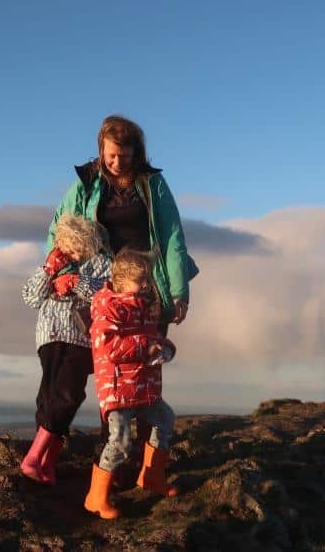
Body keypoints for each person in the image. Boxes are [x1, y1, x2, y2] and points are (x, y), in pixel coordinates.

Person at [45, 114, 198, 480]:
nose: (117, 162)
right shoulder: (85, 185)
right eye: (111, 155)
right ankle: (109, 459)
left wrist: (178, 292)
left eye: (124, 155)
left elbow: (173, 237)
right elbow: (59, 230)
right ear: (101, 149)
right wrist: (63, 273)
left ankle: (147, 472)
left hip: (149, 291)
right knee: (112, 376)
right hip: (103, 295)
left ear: (137, 151)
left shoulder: (153, 184)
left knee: (145, 374)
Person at [83, 250, 178, 519]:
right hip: (118, 387)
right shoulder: (108, 306)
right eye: (141, 280)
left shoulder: (145, 303)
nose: (147, 284)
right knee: (121, 441)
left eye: (148, 278)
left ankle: (151, 477)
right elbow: (109, 348)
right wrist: (146, 345)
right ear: (122, 280)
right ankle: (96, 497)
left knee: (164, 419)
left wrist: (164, 346)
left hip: (143, 384)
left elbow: (152, 335)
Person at [20, 214, 112, 485]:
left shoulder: (102, 263)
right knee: (48, 398)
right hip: (49, 337)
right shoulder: (52, 262)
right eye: (67, 247)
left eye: (77, 248)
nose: (71, 253)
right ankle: (46, 465)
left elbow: (105, 298)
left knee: (69, 395)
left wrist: (76, 283)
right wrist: (48, 271)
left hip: (80, 339)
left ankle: (34, 458)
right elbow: (31, 298)